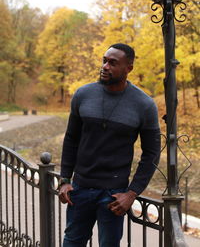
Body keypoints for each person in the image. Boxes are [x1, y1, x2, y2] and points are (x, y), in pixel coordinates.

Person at [59, 43, 161, 247]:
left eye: (112, 63)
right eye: (104, 61)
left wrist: (131, 194)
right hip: (80, 189)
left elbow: (151, 153)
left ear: (128, 68)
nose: (105, 66)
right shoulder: (83, 95)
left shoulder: (144, 105)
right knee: (71, 242)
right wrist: (64, 179)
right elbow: (71, 138)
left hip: (114, 196)